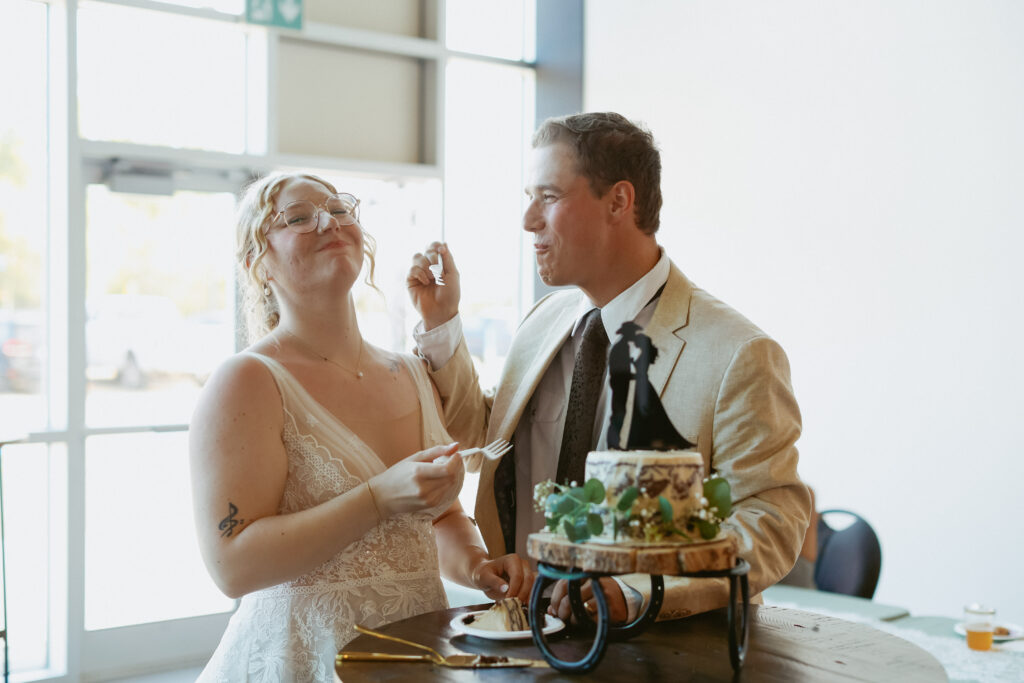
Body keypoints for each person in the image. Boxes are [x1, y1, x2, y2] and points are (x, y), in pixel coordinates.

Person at [408, 112, 812, 624]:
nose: (528, 220)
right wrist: (442, 327)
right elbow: (487, 442)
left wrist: (638, 593)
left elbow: (770, 521)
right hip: (526, 634)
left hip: (666, 647)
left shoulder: (739, 353)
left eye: (548, 196)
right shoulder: (542, 322)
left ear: (619, 201)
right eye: (528, 197)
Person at [190, 171, 521, 682]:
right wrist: (377, 499)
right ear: (259, 264)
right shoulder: (248, 381)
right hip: (304, 661)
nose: (329, 222)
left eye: (339, 209)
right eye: (299, 218)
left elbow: (440, 518)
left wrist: (478, 565)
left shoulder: (411, 373)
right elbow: (231, 567)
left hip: (414, 656)